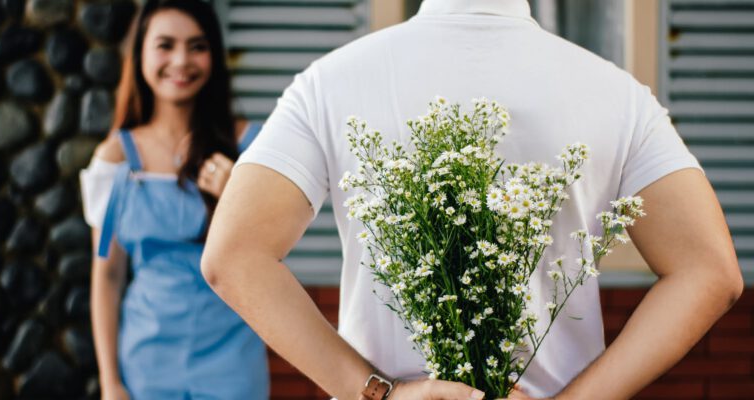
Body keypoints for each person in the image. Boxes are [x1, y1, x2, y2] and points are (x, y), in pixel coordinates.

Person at [200, 0, 743, 399]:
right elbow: (711, 271)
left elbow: (233, 255)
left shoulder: (331, 82)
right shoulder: (617, 94)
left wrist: (376, 394)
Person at [80, 1, 268, 399]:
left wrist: (236, 197)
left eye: (197, 46)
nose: (181, 60)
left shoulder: (252, 146)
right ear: (141, 53)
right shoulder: (114, 157)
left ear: (214, 56)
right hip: (145, 361)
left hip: (233, 357)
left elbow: (274, 256)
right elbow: (107, 276)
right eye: (165, 45)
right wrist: (110, 381)